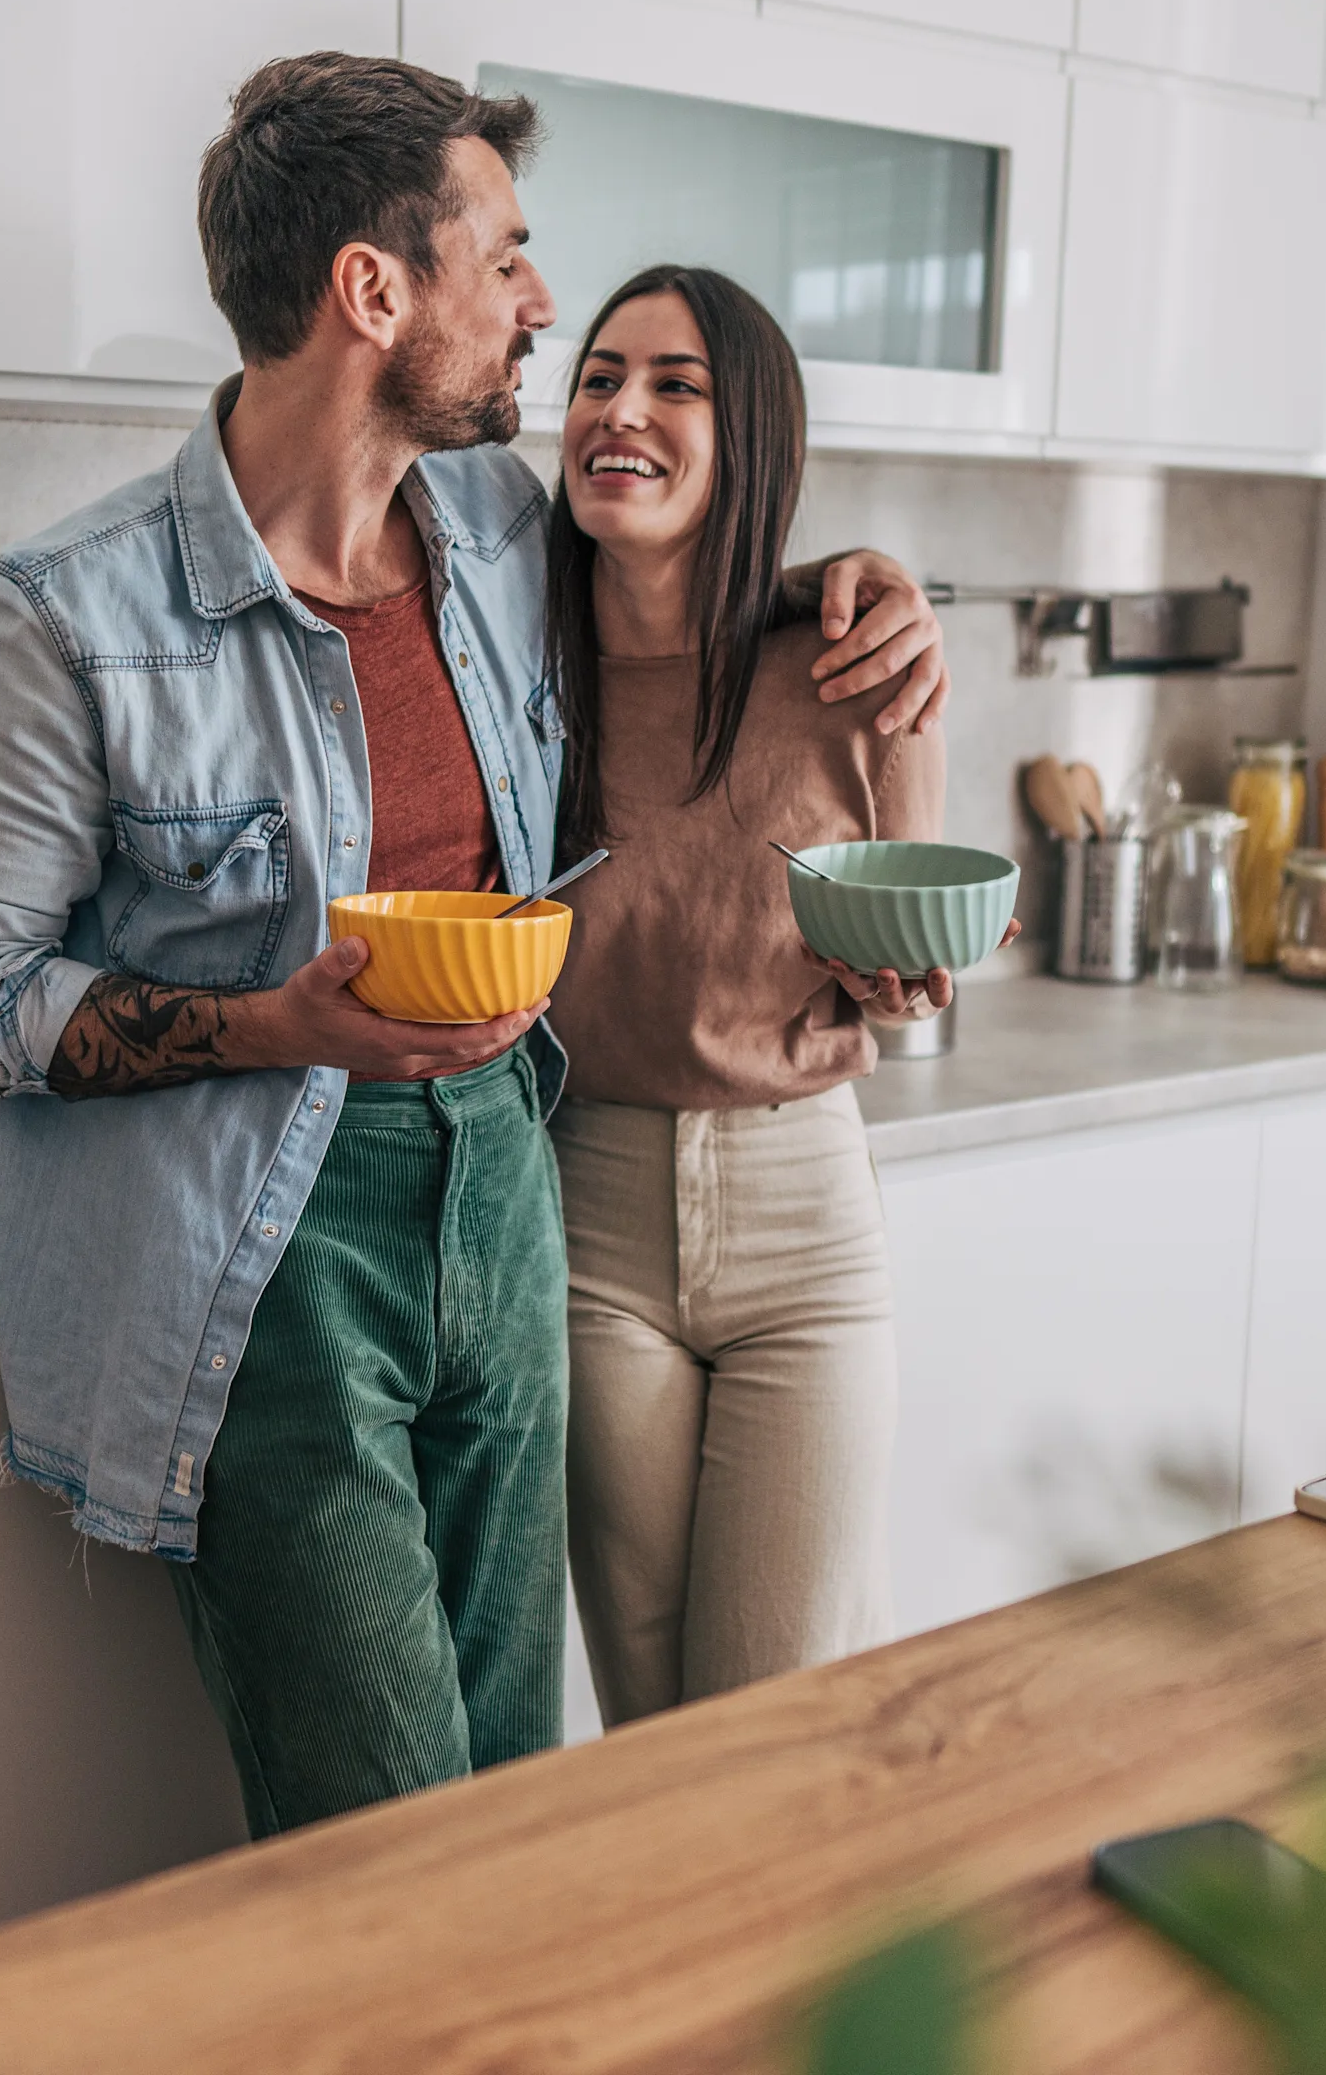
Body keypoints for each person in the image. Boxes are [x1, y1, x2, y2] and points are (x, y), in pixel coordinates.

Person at [0, 55, 950, 1838]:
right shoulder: (59, 626)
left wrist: (869, 588)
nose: (542, 305)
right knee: (386, 1834)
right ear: (376, 294)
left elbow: (689, 578)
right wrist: (265, 1024)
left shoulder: (495, 533)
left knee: (526, 1801)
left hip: (512, 1204)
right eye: (508, 258)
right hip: (261, 1245)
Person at [540, 266, 1008, 1726]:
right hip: (585, 1219)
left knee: (785, 1704)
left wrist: (910, 980)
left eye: (677, 386)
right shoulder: (512, 662)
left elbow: (913, 955)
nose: (622, 410)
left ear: (752, 437)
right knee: (654, 1717)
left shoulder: (854, 661)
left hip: (804, 1216)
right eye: (600, 376)